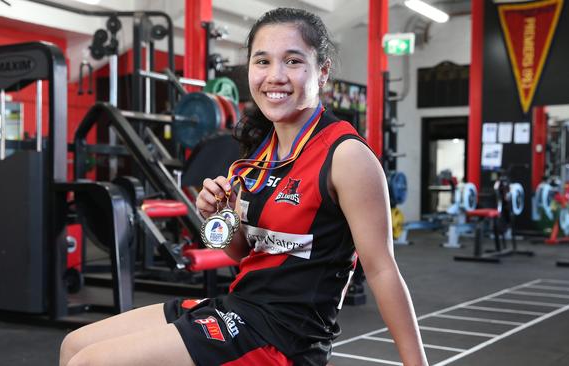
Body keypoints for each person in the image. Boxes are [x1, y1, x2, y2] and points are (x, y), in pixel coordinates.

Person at [59, 7, 428, 366]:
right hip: (241, 308)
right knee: (74, 345)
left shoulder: (346, 156)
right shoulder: (260, 154)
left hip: (283, 337)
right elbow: (242, 254)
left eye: (294, 61)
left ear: (322, 72)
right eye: (263, 61)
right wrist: (219, 216)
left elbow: (381, 270)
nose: (275, 76)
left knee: (90, 363)